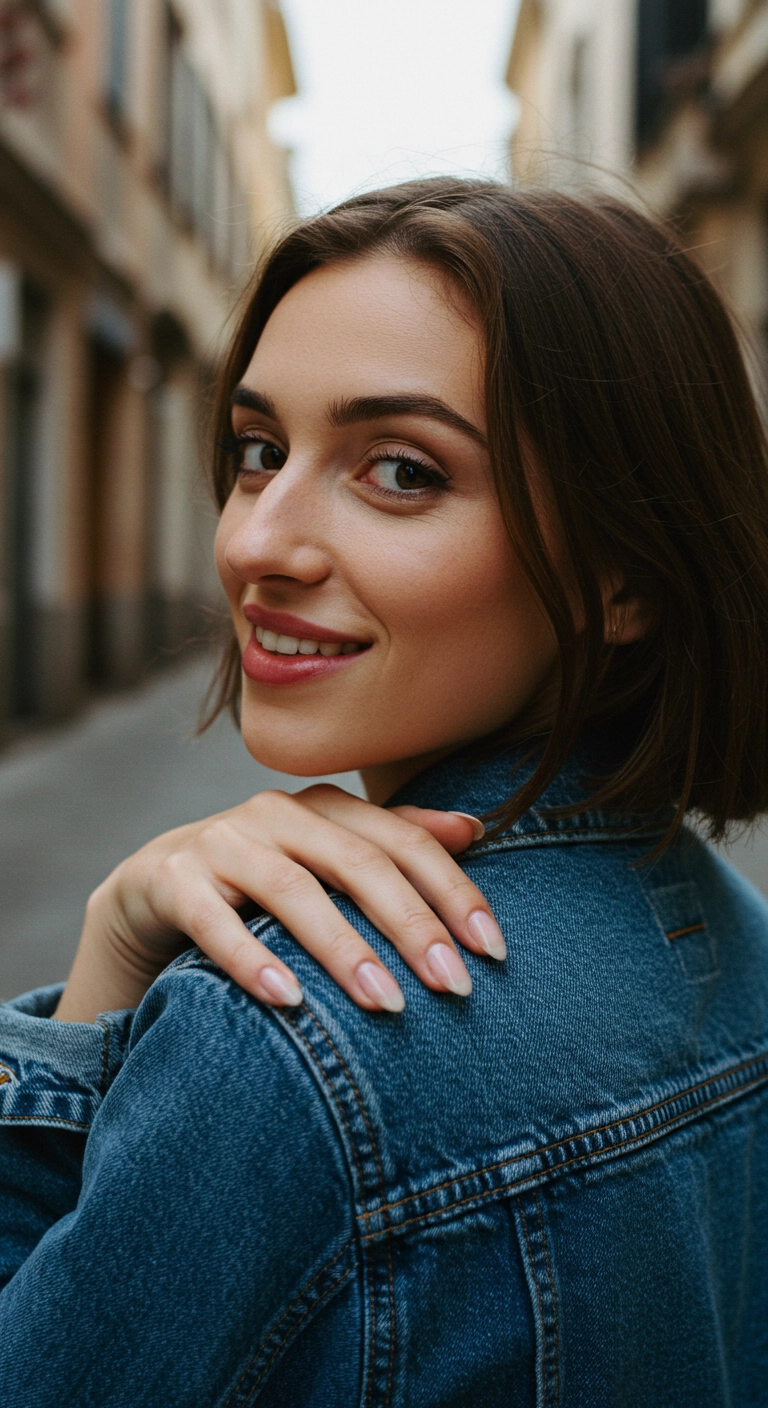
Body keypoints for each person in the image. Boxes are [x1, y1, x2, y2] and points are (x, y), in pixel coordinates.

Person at [1, 178, 768, 1406]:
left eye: (400, 471)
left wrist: (92, 1010)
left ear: (629, 574)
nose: (258, 542)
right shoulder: (741, 943)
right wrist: (119, 925)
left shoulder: (278, 1034)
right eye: (260, 451)